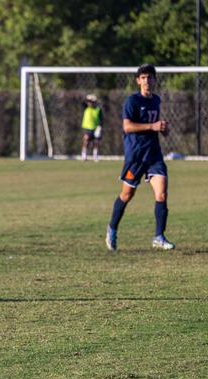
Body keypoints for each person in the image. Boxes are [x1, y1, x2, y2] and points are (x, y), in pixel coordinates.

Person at [105, 64, 174, 251]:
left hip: (153, 155)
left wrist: (163, 129)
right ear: (138, 81)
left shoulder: (156, 100)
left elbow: (156, 126)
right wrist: (152, 126)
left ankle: (159, 236)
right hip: (135, 156)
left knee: (161, 194)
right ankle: (112, 228)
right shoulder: (132, 101)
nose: (146, 81)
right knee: (127, 195)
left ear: (155, 80)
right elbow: (127, 127)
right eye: (143, 78)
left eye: (150, 77)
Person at [80, 94, 102, 162]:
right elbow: (82, 102)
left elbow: (101, 119)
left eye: (92, 102)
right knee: (86, 141)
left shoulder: (98, 109)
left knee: (96, 142)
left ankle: (95, 156)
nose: (90, 103)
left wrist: (99, 127)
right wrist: (88, 97)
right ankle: (84, 155)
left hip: (95, 128)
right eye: (89, 102)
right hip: (87, 128)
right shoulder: (86, 108)